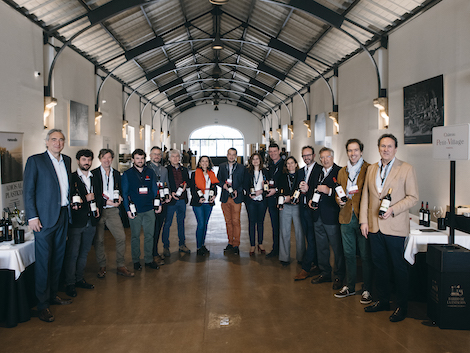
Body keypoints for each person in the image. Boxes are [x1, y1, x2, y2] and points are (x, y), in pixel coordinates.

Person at [360, 134, 418, 322]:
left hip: (395, 227)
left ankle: (402, 306)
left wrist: (393, 209)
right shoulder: (371, 169)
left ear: (395, 148)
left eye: (389, 146)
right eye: (383, 146)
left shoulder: (406, 168)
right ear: (378, 148)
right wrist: (364, 221)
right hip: (375, 226)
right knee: (380, 266)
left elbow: (413, 197)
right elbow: (366, 196)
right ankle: (382, 301)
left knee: (398, 268)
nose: (386, 149)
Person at [23, 129, 72, 323]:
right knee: (43, 261)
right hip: (43, 219)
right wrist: (32, 216)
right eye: (54, 139)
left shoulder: (67, 160)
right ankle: (42, 304)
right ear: (46, 142)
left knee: (58, 258)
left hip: (62, 215)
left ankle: (52, 295)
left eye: (61, 140)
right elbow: (28, 191)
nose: (58, 143)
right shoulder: (35, 161)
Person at [334, 139, 372, 304]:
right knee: (348, 254)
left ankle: (368, 289)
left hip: (363, 219)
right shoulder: (342, 171)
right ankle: (349, 286)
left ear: (361, 152)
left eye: (356, 150)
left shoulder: (370, 169)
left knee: (365, 255)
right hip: (345, 217)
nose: (353, 153)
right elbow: (339, 192)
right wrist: (338, 200)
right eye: (350, 150)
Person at [64, 149, 101, 298]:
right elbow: (69, 198)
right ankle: (70, 283)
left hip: (90, 220)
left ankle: (79, 279)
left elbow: (98, 195)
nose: (87, 163)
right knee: (73, 254)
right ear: (78, 161)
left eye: (89, 160)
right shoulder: (71, 178)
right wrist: (85, 198)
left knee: (84, 253)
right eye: (84, 160)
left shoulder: (95, 177)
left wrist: (97, 205)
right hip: (77, 221)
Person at [92, 148, 134, 278]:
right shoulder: (93, 174)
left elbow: (120, 189)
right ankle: (102, 265)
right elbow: (93, 193)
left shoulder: (116, 174)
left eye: (109, 157)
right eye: (104, 157)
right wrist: (106, 201)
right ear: (100, 159)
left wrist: (120, 197)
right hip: (99, 210)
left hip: (113, 211)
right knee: (99, 240)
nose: (107, 160)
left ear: (112, 159)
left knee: (121, 237)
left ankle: (120, 265)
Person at [309, 147, 345, 290]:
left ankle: (339, 275)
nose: (325, 160)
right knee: (321, 246)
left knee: (337, 248)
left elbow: (342, 193)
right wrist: (311, 200)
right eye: (322, 157)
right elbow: (313, 188)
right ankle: (325, 272)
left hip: (332, 215)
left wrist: (329, 191)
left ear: (333, 157)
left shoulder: (340, 171)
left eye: (327, 157)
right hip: (317, 214)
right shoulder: (317, 171)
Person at [122, 149, 161, 271]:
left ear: (145, 159)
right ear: (133, 159)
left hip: (149, 208)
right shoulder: (127, 174)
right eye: (137, 158)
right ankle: (136, 260)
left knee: (150, 235)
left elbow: (155, 189)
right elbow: (124, 193)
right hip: (135, 210)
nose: (140, 161)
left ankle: (149, 259)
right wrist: (127, 209)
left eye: (142, 158)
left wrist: (158, 204)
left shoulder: (150, 172)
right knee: (135, 236)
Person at [294, 146, 322, 281]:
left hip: (313, 209)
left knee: (311, 239)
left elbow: (319, 190)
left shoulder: (319, 170)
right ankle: (316, 264)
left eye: (308, 155)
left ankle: (305, 268)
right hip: (302, 208)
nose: (306, 158)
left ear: (314, 155)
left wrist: (309, 189)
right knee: (309, 238)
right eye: (304, 155)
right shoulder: (301, 171)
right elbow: (297, 188)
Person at [161, 149, 191, 256]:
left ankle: (182, 244)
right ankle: (166, 246)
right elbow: (163, 183)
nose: (175, 158)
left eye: (177, 156)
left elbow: (188, 181)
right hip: (170, 201)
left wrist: (186, 185)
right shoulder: (165, 170)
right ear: (169, 158)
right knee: (167, 223)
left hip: (182, 200)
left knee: (181, 223)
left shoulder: (184, 169)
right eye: (173, 156)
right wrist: (170, 192)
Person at [278, 156, 305, 266]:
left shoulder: (301, 175)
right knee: (284, 232)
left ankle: (301, 257)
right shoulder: (282, 176)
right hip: (285, 206)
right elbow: (279, 191)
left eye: (292, 163)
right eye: (287, 164)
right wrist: (282, 200)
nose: (290, 165)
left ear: (296, 164)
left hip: (298, 206)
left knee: (300, 232)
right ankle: (284, 257)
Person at [217, 147, 245, 255]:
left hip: (236, 198)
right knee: (228, 222)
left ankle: (236, 244)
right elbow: (218, 179)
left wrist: (238, 190)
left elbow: (244, 182)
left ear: (236, 156)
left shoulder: (242, 168)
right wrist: (223, 185)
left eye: (233, 154)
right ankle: (230, 242)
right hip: (225, 197)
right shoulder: (222, 166)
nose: (231, 156)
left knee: (236, 221)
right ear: (227, 155)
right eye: (230, 154)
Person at [190, 155, 219, 256]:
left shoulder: (212, 174)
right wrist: (199, 197)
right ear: (199, 163)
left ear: (209, 163)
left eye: (206, 161)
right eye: (202, 161)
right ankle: (198, 247)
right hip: (198, 203)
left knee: (205, 224)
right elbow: (193, 188)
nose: (204, 163)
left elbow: (214, 187)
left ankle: (202, 245)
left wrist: (214, 195)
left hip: (208, 203)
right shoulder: (194, 174)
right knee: (201, 224)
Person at [147, 146, 169, 266]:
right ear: (150, 155)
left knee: (158, 228)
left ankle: (154, 252)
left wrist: (168, 194)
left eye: (159, 154)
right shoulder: (146, 169)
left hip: (162, 203)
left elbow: (167, 184)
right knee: (151, 230)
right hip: (150, 204)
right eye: (154, 154)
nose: (156, 156)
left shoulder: (164, 170)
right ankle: (151, 254)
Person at [243, 152, 268, 256]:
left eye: (257, 159)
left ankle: (260, 244)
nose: (255, 161)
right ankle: (252, 245)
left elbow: (269, 185)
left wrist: (261, 191)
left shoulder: (266, 172)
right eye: (253, 159)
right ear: (251, 161)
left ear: (260, 160)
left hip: (262, 200)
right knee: (252, 222)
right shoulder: (247, 171)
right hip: (251, 201)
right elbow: (244, 185)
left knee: (261, 222)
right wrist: (249, 193)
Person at [265, 144, 285, 258]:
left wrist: (276, 189)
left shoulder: (284, 165)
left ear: (279, 151)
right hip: (271, 200)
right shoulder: (270, 165)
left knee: (283, 227)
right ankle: (275, 249)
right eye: (270, 152)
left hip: (281, 200)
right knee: (274, 226)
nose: (273, 153)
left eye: (274, 151)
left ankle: (283, 250)